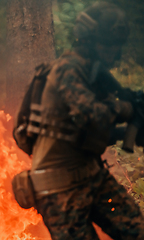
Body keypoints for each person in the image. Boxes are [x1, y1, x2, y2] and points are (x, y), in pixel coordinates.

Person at [13, 2, 144, 239]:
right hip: (59, 189)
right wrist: (127, 108)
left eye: (115, 45)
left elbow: (89, 132)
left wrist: (130, 131)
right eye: (106, 44)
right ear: (88, 40)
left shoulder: (95, 74)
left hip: (92, 176)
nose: (112, 51)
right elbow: (92, 115)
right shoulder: (68, 69)